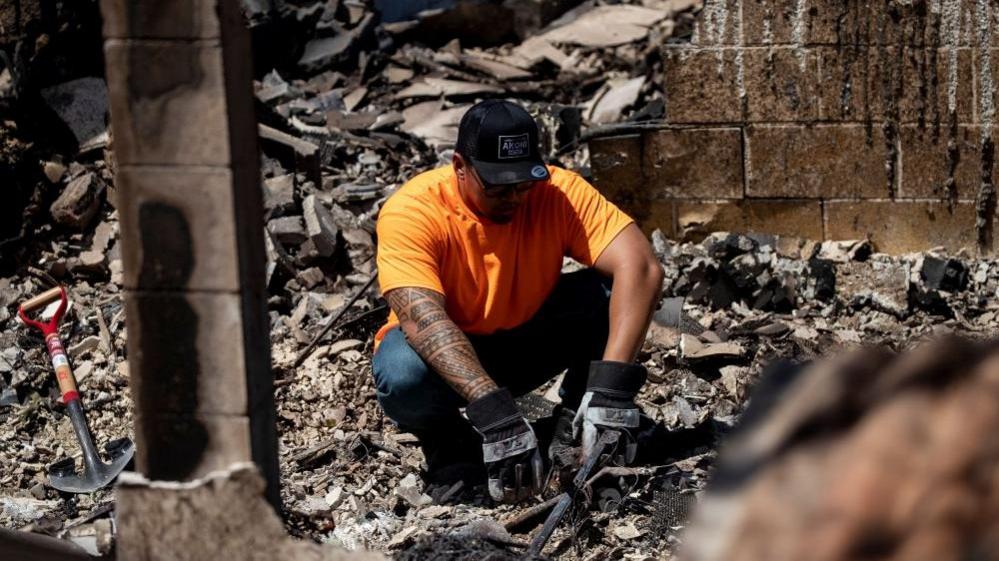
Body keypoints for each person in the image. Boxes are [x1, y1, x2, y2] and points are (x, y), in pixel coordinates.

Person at [371, 99, 663, 504]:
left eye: (524, 183)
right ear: (460, 166)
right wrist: (496, 414)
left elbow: (642, 266)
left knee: (611, 292)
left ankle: (576, 419)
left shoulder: (557, 192)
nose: (514, 198)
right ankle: (451, 446)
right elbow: (424, 322)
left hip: (528, 338)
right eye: (498, 186)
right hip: (447, 361)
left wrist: (610, 390)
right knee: (401, 371)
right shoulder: (414, 211)